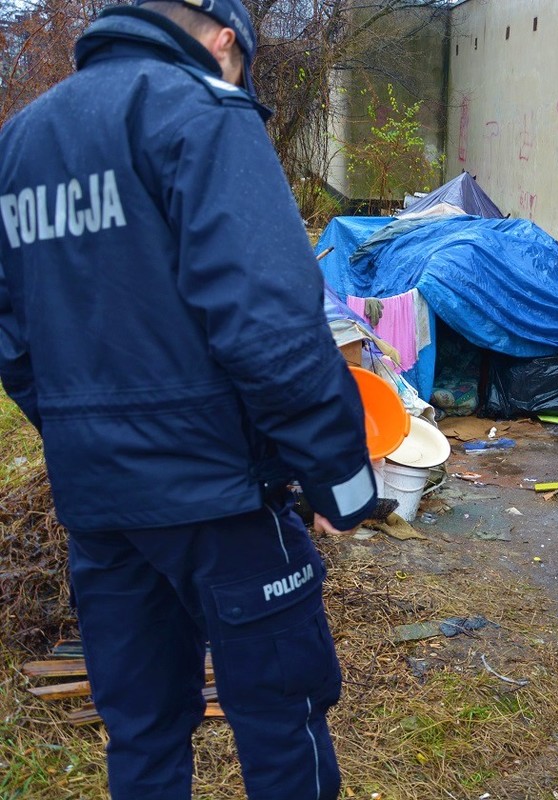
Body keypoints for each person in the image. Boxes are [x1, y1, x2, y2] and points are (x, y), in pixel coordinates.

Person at [0, 1, 377, 797]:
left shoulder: (20, 142)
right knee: (283, 713)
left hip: (100, 505)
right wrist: (337, 476)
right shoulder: (202, 107)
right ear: (224, 42)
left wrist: (83, 433)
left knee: (141, 725)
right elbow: (270, 322)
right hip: (219, 501)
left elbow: (14, 337)